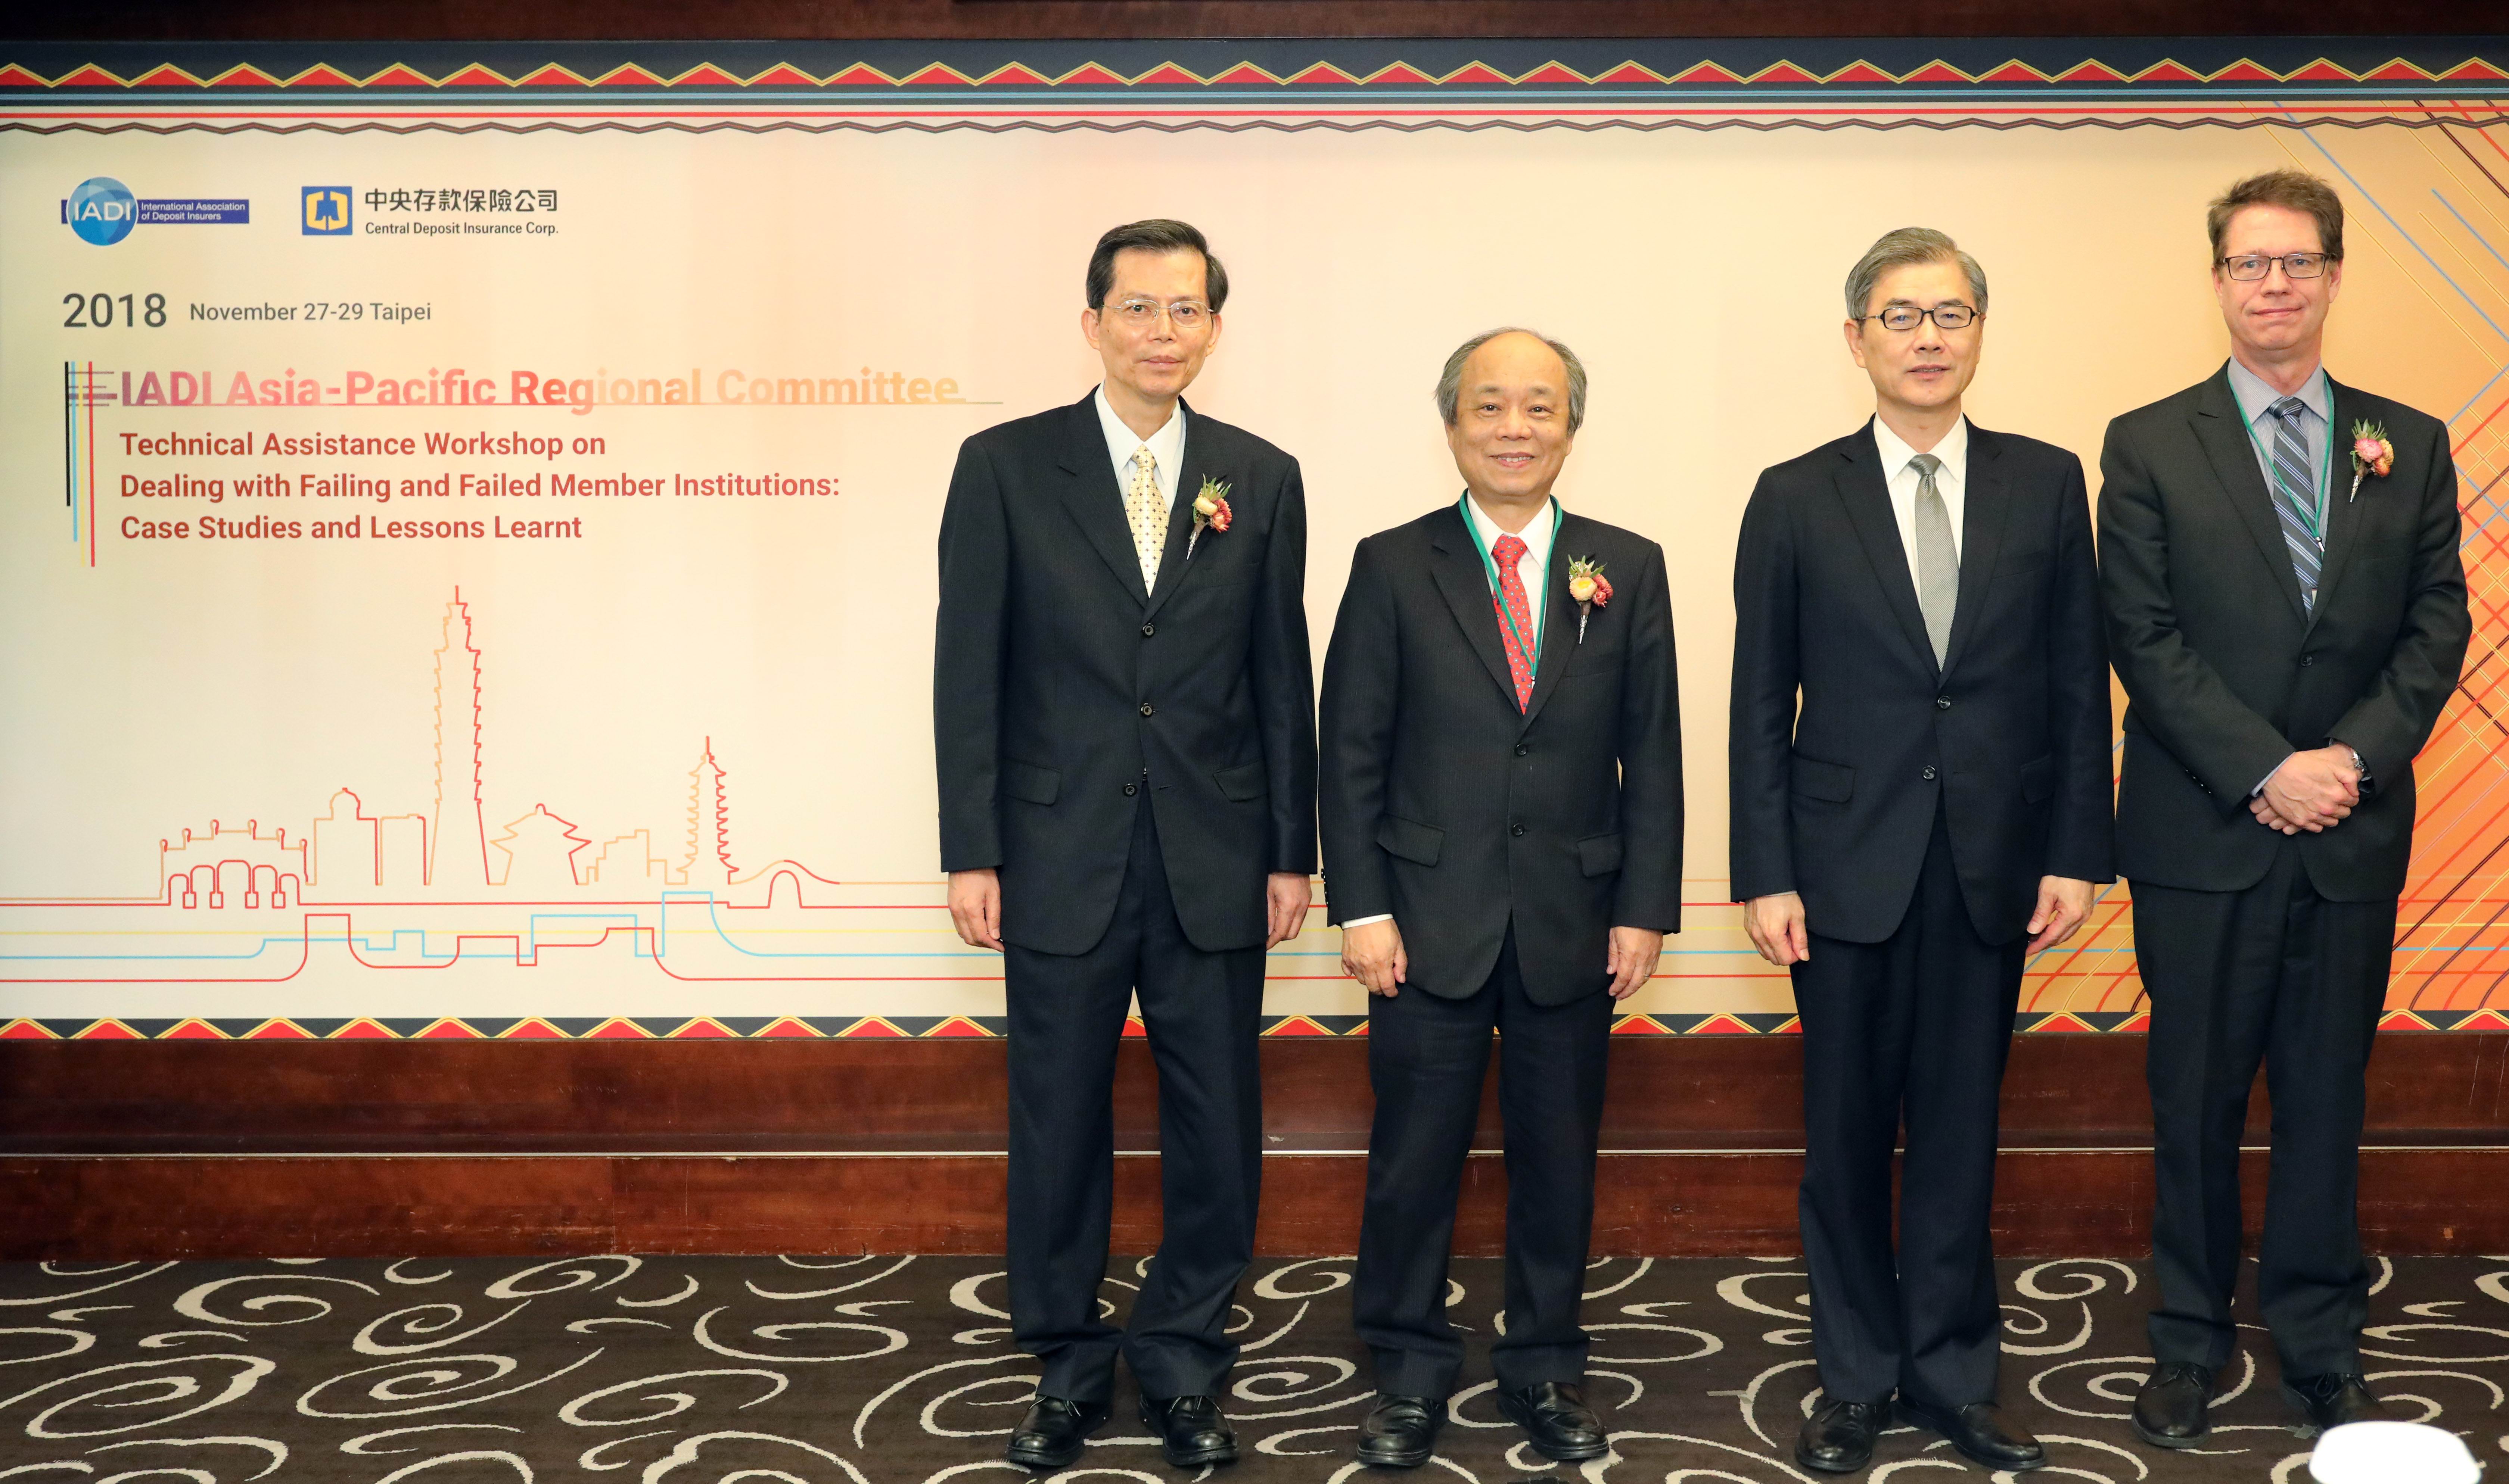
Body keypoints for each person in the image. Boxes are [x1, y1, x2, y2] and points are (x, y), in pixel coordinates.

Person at [932, 218, 1316, 1472]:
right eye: (1139, 309)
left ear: (1216, 325)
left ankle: (1188, 1354)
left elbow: (1280, 678)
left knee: (1219, 1116)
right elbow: (967, 669)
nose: (1164, 332)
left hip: (1216, 850)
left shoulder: (1260, 476)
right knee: (1056, 1114)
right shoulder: (1001, 466)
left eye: (1188, 310)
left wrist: (1291, 851)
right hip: (1054, 850)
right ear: (1091, 321)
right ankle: (1062, 1357)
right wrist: (972, 847)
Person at [1729, 227, 2114, 1475]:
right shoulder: (1795, 492)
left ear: (1980, 333)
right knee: (1843, 1135)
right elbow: (1757, 701)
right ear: (1858, 340)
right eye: (1903, 317)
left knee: (1960, 1128)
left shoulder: (2047, 480)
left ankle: (1954, 1371)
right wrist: (1765, 870)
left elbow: (2073, 680)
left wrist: (2076, 851)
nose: (1929, 338)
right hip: (1840, 867)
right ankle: (1852, 1377)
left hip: (1995, 860)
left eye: (1952, 315)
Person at [2101, 170, 2469, 1448]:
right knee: (2191, 1097)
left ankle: (2321, 1338)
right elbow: (2141, 637)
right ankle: (2189, 1342)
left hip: (2354, 835)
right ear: (2217, 281)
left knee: (2327, 1093)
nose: (2275, 285)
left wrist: (2350, 763)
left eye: (2299, 263)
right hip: (2205, 832)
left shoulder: (2407, 440)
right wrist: (2267, 767)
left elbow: (2439, 626)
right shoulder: (2148, 442)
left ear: (2332, 276)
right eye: (2251, 264)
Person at [1320, 328, 1682, 1469]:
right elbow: (1352, 750)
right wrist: (1361, 906)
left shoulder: (1628, 562)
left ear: (1571, 426)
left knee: (1559, 1158)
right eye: (1490, 408)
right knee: (1414, 1159)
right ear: (1453, 425)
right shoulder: (1392, 563)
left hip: (1576, 921)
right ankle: (1409, 1364)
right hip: (1422, 926)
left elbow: (1654, 753)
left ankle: (1544, 1364)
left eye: (1539, 408)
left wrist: (1645, 908)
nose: (1514, 429)